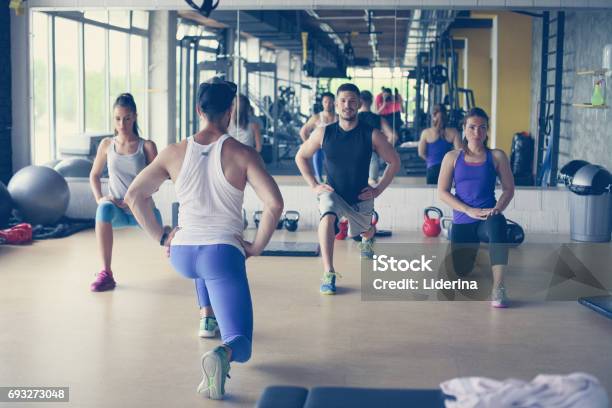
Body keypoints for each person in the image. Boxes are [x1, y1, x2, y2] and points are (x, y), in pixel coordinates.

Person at [124, 78, 283, 400]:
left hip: (183, 253)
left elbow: (134, 195)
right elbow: (274, 204)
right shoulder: (243, 153)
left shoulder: (173, 152)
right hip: (221, 253)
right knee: (241, 342)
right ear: (230, 110)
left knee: (204, 270)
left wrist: (162, 237)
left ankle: (207, 318)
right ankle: (220, 355)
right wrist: (256, 247)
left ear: (199, 109)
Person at [295, 83, 400, 295]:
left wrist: (378, 190)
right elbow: (301, 156)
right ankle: (329, 272)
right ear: (335, 104)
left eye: (352, 101)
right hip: (332, 192)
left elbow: (394, 162)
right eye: (343, 101)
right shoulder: (323, 133)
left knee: (363, 231)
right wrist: (314, 184)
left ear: (359, 104)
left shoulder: (372, 135)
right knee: (327, 217)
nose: (347, 105)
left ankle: (368, 236)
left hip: (360, 196)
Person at [437, 107, 515, 308]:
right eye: (472, 127)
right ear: (464, 129)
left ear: (487, 131)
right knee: (461, 271)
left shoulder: (497, 156)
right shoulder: (452, 157)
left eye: (482, 128)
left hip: (487, 219)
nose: (477, 133)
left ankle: (499, 287)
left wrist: (498, 208)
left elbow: (508, 189)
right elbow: (442, 192)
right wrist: (467, 210)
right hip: (463, 221)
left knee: (498, 222)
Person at [88, 93, 161, 292]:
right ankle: (106, 273)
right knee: (103, 208)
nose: (122, 124)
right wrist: (101, 198)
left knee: (165, 239)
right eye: (118, 118)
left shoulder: (146, 146)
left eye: (127, 118)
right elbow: (94, 175)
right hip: (118, 211)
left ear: (135, 117)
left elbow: (157, 181)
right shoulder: (106, 145)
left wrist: (134, 199)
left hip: (142, 212)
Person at [358, 90, 399, 185]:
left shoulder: (353, 119)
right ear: (371, 101)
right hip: (373, 156)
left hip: (355, 157)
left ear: (359, 101)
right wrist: (383, 150)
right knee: (372, 184)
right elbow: (393, 137)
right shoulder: (378, 118)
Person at [418, 104, 462, 185]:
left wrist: (430, 160)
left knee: (432, 195)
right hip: (447, 168)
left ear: (433, 116)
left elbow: (421, 153)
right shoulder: (454, 132)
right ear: (446, 115)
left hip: (432, 169)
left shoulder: (426, 133)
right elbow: (459, 152)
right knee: (446, 194)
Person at [299, 92, 338, 183]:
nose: (328, 104)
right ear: (322, 103)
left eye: (330, 102)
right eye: (325, 102)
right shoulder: (316, 118)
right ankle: (319, 179)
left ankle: (332, 178)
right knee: (317, 152)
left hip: (334, 146)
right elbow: (303, 132)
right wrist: (308, 144)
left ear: (334, 103)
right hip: (320, 146)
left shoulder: (338, 118)